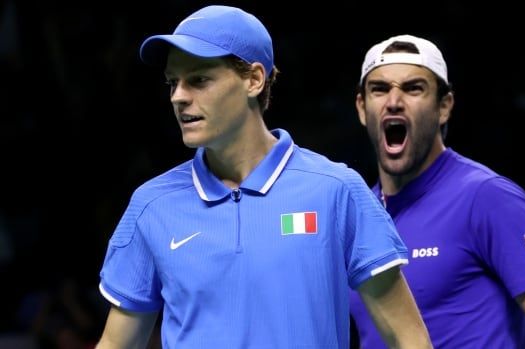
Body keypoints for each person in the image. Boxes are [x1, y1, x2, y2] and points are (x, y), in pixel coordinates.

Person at [95, 6, 432, 349]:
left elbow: (409, 338)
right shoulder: (152, 206)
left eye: (198, 79)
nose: (179, 96)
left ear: (254, 80)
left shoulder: (335, 191)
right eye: (173, 82)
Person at [349, 34, 525, 348]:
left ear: (444, 106)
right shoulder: (359, 217)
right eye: (380, 89)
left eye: (414, 88)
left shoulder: (488, 199)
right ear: (362, 107)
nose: (394, 101)